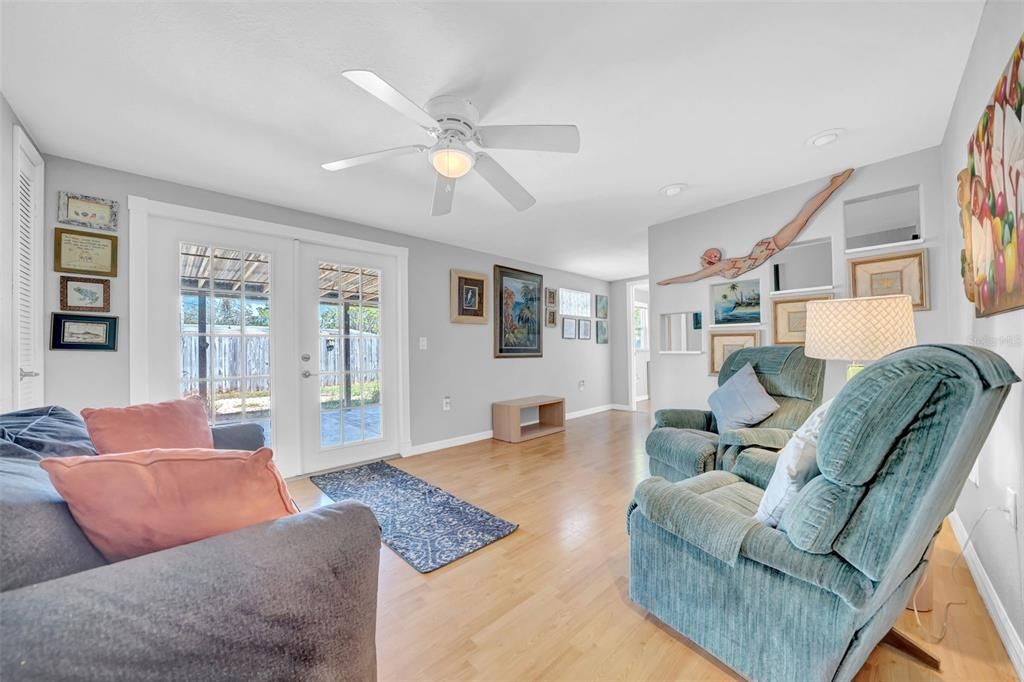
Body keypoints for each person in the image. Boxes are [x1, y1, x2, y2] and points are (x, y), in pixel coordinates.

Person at [657, 168, 855, 285]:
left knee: (802, 219)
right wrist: (670, 281)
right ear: (706, 259)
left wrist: (668, 281)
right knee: (803, 220)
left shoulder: (720, 268)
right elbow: (695, 276)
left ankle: (835, 184)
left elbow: (694, 277)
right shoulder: (718, 269)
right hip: (765, 250)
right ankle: (833, 185)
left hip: (766, 249)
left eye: (717, 255)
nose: (717, 257)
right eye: (714, 255)